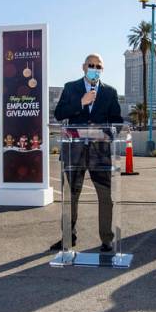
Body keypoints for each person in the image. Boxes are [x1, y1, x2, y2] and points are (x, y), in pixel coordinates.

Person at [51, 53, 123, 252]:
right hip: (74, 151)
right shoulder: (70, 88)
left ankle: (107, 239)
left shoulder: (110, 92)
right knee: (71, 196)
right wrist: (80, 102)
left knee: (105, 197)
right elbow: (59, 114)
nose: (94, 68)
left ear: (102, 69)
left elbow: (117, 121)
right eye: (91, 65)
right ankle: (68, 237)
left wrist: (107, 133)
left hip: (100, 153)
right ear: (83, 67)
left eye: (98, 66)